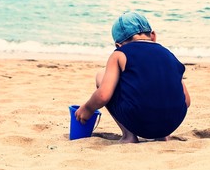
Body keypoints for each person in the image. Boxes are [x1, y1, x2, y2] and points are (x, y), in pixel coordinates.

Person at [75, 11, 191, 143]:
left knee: (101, 76)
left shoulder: (119, 54)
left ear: (118, 45)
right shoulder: (170, 55)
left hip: (138, 121)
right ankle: (163, 136)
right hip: (172, 122)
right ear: (153, 36)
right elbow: (187, 101)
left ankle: (128, 135)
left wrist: (87, 108)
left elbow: (103, 96)